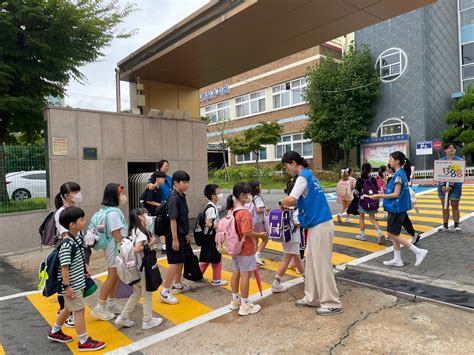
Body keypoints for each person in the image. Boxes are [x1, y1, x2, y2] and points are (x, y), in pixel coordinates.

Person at [280, 151, 343, 316]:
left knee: (322, 265)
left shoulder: (302, 177)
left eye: (287, 167)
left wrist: (281, 203)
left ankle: (332, 303)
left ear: (293, 163)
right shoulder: (309, 175)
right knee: (312, 263)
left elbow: (291, 199)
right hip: (318, 225)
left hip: (320, 225)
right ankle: (312, 297)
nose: (288, 171)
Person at [47, 207, 105, 352]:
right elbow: (65, 267)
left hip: (77, 281)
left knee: (68, 308)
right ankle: (83, 341)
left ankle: (55, 331)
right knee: (79, 310)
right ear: (72, 224)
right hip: (71, 284)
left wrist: (85, 266)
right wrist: (67, 287)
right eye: (81, 220)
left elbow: (79, 255)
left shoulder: (77, 237)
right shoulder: (66, 244)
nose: (84, 222)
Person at [371, 151, 428, 267]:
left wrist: (379, 196)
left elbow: (396, 194)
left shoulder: (398, 176)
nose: (389, 161)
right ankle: (397, 259)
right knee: (394, 233)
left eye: (390, 159)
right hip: (398, 208)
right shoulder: (400, 174)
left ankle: (418, 251)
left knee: (392, 234)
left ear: (397, 161)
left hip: (396, 208)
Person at [115, 208, 163, 330]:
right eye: (145, 214)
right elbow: (137, 249)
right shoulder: (141, 232)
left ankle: (123, 317)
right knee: (147, 294)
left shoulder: (134, 230)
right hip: (142, 267)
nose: (147, 216)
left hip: (135, 267)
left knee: (136, 293)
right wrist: (150, 243)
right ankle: (147, 320)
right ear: (140, 217)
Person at [227, 182, 267, 316]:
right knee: (245, 275)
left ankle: (235, 301)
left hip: (234, 247)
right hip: (245, 248)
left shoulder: (232, 210)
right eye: (248, 194)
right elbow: (247, 231)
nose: (250, 196)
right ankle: (245, 305)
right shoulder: (244, 212)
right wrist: (260, 235)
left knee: (236, 273)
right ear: (242, 195)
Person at [91, 184, 128, 321]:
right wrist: (124, 248)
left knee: (116, 275)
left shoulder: (110, 210)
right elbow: (116, 233)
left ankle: (112, 303)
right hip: (114, 247)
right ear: (114, 196)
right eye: (120, 194)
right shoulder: (113, 213)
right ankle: (100, 307)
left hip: (114, 246)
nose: (122, 196)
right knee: (112, 275)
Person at [53, 182, 85, 328]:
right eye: (75, 191)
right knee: (69, 290)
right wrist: (67, 286)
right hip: (71, 251)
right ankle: (82, 338)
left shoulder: (74, 210)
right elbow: (66, 234)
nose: (78, 194)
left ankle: (56, 329)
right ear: (66, 195)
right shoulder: (61, 213)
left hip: (77, 250)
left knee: (73, 296)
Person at [159, 171, 192, 305]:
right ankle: (165, 291)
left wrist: (186, 234)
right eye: (184, 182)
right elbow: (173, 219)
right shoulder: (173, 198)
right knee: (174, 262)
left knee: (179, 260)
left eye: (187, 182)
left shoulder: (181, 196)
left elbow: (183, 217)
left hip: (181, 234)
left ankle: (177, 284)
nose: (187, 185)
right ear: (176, 183)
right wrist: (175, 239)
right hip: (174, 235)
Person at [271, 178, 305, 293]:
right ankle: (276, 283)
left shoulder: (285, 205)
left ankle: (306, 279)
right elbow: (297, 222)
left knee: (297, 258)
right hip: (293, 237)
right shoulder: (295, 206)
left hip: (286, 236)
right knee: (287, 259)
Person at [199, 184, 228, 286]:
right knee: (216, 258)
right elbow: (209, 223)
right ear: (213, 196)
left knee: (207, 258)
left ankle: (197, 275)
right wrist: (219, 225)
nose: (220, 194)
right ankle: (216, 280)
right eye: (218, 192)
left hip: (209, 236)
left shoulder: (211, 206)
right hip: (211, 236)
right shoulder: (211, 208)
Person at [387, 164, 422, 245]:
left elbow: (393, 193)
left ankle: (392, 235)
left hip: (395, 204)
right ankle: (413, 235)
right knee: (405, 220)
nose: (386, 168)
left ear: (391, 169)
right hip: (402, 202)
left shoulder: (394, 178)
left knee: (395, 220)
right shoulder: (402, 176)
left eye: (387, 167)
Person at [354, 163, 385, 245]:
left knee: (361, 217)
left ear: (362, 169)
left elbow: (356, 192)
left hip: (363, 201)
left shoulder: (359, 179)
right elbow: (376, 190)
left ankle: (363, 235)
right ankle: (380, 233)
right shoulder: (373, 179)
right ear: (370, 170)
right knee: (372, 218)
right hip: (373, 201)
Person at [148, 160, 174, 252]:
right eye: (165, 165)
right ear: (160, 166)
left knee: (169, 224)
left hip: (169, 203)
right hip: (160, 205)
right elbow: (150, 184)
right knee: (161, 224)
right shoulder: (155, 176)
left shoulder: (170, 178)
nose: (167, 167)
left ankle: (168, 243)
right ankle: (164, 246)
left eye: (168, 165)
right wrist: (150, 184)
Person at [437, 143, 464, 233]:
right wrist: (443, 185)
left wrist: (450, 186)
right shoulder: (441, 161)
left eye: (453, 148)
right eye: (449, 148)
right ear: (445, 150)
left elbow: (458, 174)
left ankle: (456, 226)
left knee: (455, 205)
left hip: (455, 187)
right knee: (445, 206)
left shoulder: (459, 160)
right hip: (442, 187)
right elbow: (439, 175)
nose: (452, 149)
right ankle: (445, 225)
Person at [248, 181, 269, 266]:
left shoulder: (250, 197)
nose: (261, 188)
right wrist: (266, 210)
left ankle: (252, 257)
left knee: (255, 239)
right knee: (265, 238)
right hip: (258, 222)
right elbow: (259, 209)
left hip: (252, 221)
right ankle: (257, 255)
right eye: (260, 186)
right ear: (256, 188)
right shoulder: (257, 198)